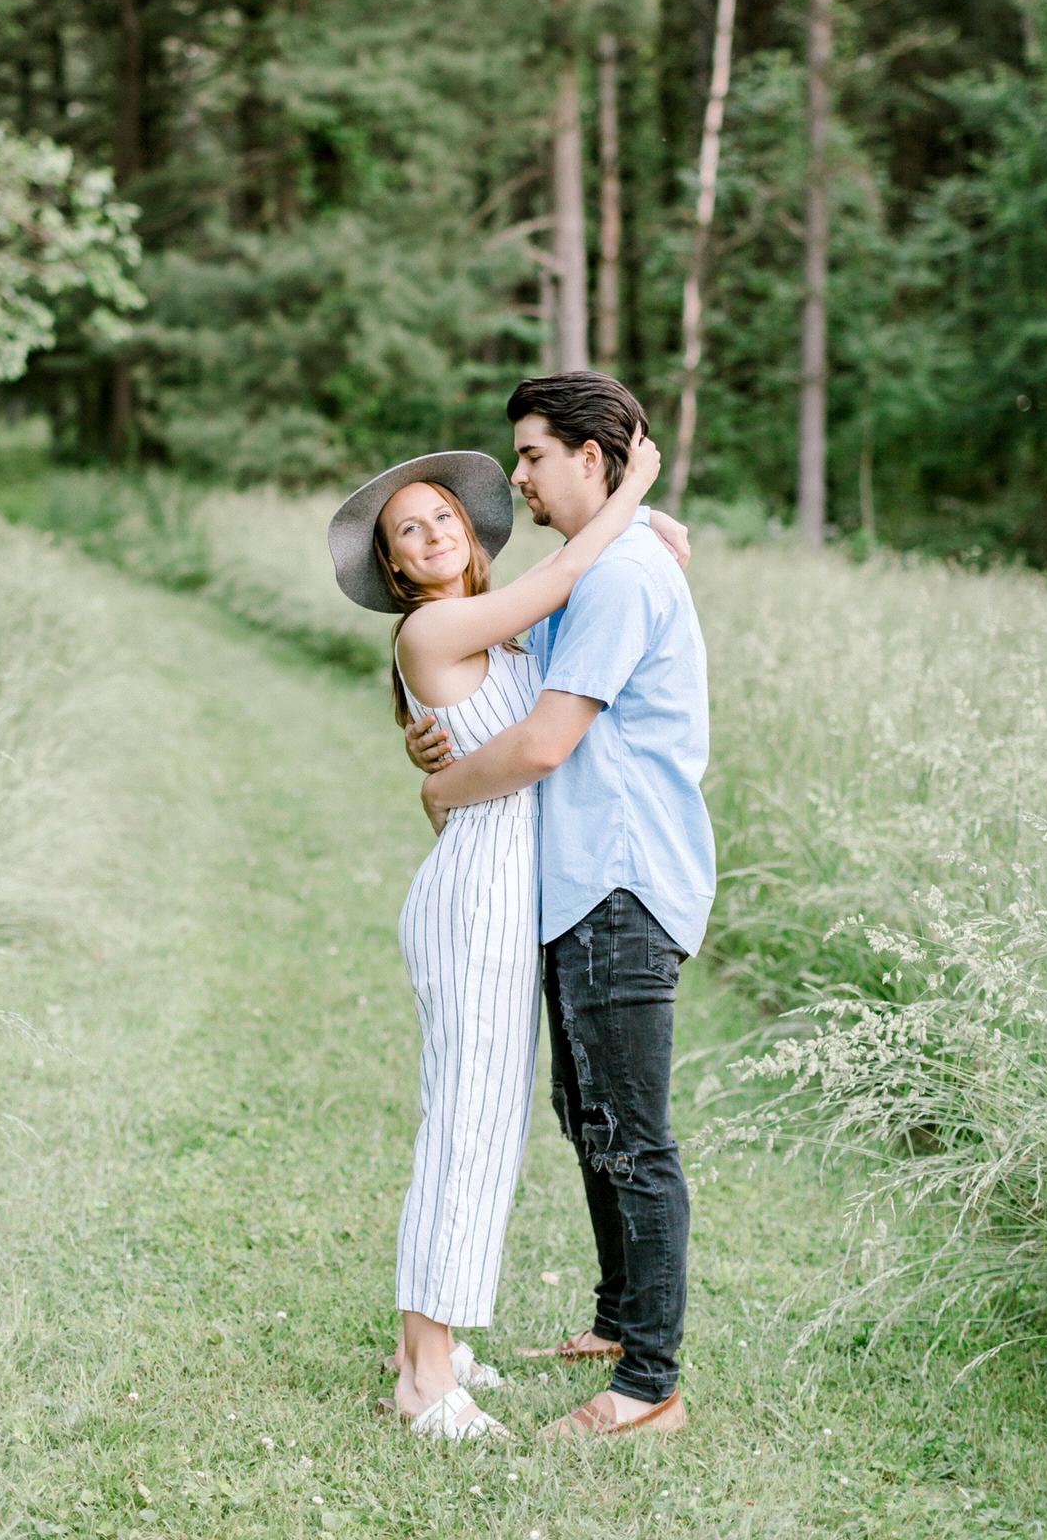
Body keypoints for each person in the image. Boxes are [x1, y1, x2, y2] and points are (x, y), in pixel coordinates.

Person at [326, 433, 683, 1441]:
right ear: (396, 568)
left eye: (443, 516)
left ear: (469, 534)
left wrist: (646, 527)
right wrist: (637, 489)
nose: (432, 533)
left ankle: (426, 1348)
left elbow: (563, 597)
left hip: (504, 888)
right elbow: (564, 574)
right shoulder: (433, 627)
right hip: (479, 892)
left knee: (481, 1121)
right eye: (409, 531)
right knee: (468, 1125)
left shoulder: (502, 636)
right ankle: (425, 1378)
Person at [407, 371, 716, 1441]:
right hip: (584, 878)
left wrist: (441, 788)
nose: (520, 476)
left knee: (631, 1135)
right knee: (590, 1117)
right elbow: (508, 675)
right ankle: (620, 1326)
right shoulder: (600, 564)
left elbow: (544, 742)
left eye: (534, 454)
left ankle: (650, 1386)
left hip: (620, 876)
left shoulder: (620, 574)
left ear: (593, 456)